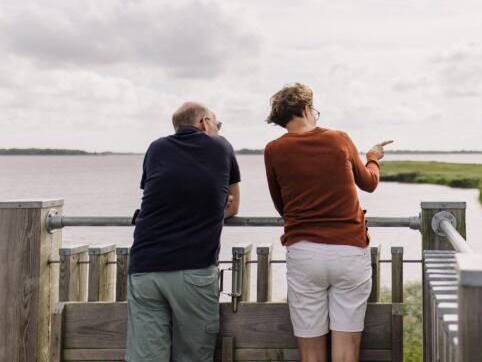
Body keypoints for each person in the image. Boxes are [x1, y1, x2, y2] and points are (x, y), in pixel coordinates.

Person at [263, 83, 392, 362]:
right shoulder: (339, 138)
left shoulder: (273, 149)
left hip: (304, 252)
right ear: (306, 108)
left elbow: (281, 205)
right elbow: (369, 183)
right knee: (346, 352)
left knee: (310, 353)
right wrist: (373, 158)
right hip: (349, 250)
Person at [126, 101, 241, 362]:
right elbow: (234, 206)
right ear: (204, 123)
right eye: (217, 123)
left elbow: (159, 196)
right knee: (192, 356)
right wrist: (210, 209)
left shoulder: (156, 148)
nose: (218, 129)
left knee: (146, 357)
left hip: (145, 267)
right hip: (193, 267)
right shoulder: (221, 145)